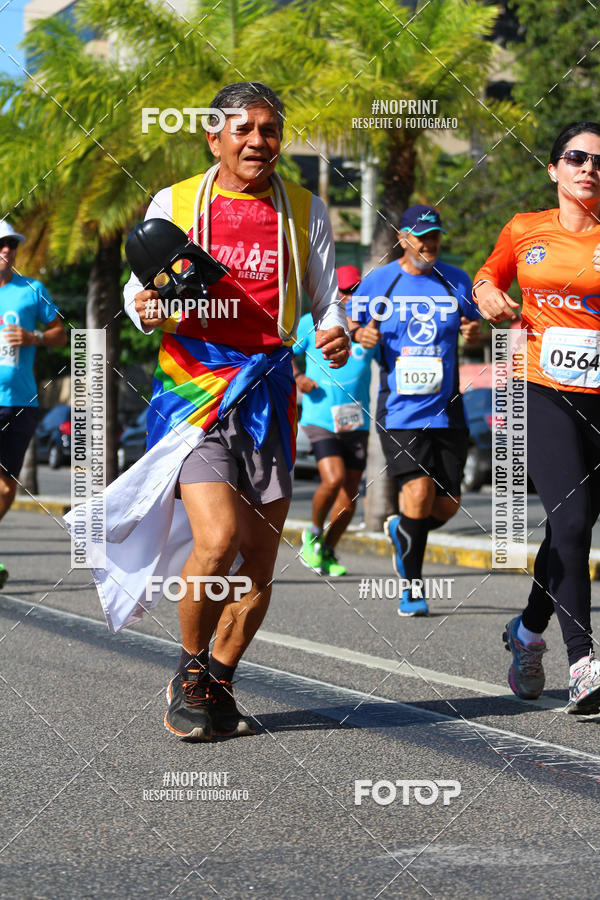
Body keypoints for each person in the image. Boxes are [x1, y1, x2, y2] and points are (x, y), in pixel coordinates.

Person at [122, 81, 349, 741]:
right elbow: (144, 296)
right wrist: (149, 307)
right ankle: (189, 674)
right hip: (193, 393)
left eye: (269, 129)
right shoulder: (177, 202)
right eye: (244, 129)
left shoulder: (305, 210)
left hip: (270, 394)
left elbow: (325, 299)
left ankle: (220, 678)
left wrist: (332, 332)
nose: (258, 141)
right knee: (217, 540)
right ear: (213, 136)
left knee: (258, 564)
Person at [474, 120, 600, 713]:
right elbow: (488, 275)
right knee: (572, 525)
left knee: (566, 531)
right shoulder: (525, 229)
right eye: (575, 157)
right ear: (553, 169)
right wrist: (488, 296)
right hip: (543, 389)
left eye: (598, 161)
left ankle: (526, 633)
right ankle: (584, 662)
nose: (588, 168)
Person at [347, 204, 480, 616]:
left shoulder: (456, 280)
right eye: (421, 236)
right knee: (418, 491)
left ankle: (400, 527)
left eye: (435, 235)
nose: (429, 243)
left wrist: (474, 334)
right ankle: (412, 589)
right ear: (402, 238)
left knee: (447, 505)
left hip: (448, 407)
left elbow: (473, 336)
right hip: (401, 410)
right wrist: (361, 333)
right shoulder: (379, 283)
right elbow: (352, 325)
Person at [294, 265, 377, 576]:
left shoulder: (371, 329)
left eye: (354, 290)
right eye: (342, 290)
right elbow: (282, 352)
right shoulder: (311, 323)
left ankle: (327, 550)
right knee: (333, 479)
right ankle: (312, 534)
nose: (348, 296)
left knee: (350, 497)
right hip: (319, 415)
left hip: (356, 421)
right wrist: (298, 376)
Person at [0, 221, 66, 586]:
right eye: (1, 245)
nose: (7, 251)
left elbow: (61, 334)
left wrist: (32, 335)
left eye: (11, 245)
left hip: (21, 402)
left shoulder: (31, 290)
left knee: (7, 485)